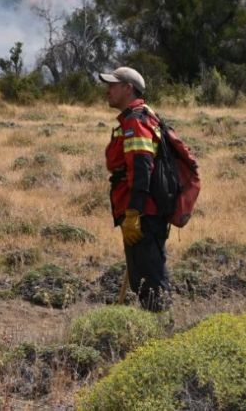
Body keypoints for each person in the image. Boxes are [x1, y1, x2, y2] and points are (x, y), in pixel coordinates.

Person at [100, 65, 171, 312]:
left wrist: (134, 213)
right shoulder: (136, 117)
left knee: (150, 282)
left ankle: (161, 337)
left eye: (112, 85)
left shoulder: (136, 121)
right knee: (143, 279)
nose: (107, 90)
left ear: (128, 88)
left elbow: (141, 168)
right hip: (141, 212)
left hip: (143, 214)